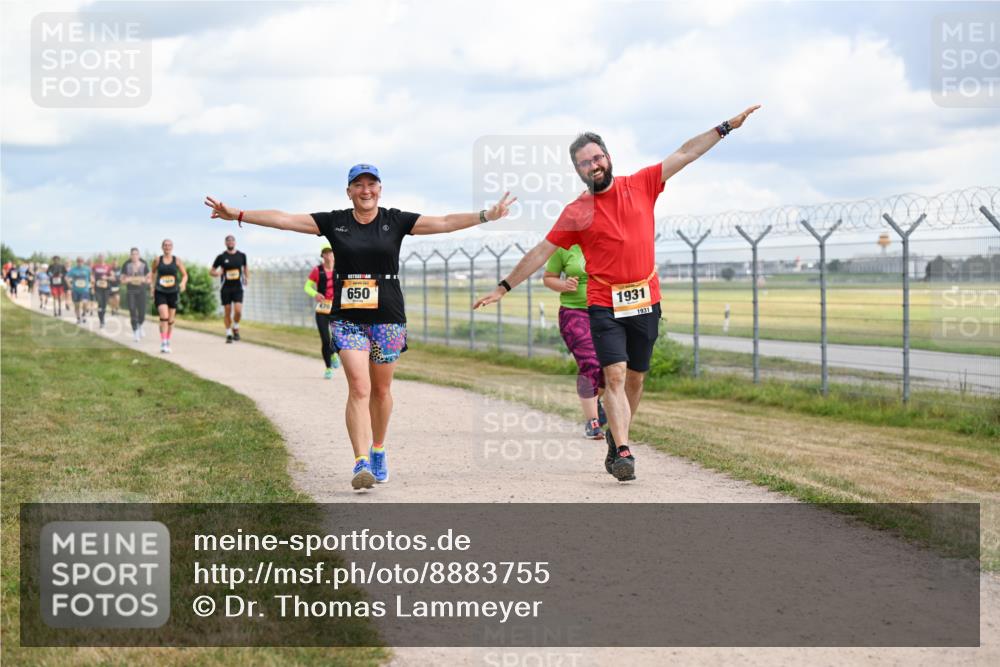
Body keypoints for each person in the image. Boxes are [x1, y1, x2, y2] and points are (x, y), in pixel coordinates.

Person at [474, 106, 760, 482]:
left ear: (607, 157)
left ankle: (615, 436)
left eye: (597, 157)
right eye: (584, 163)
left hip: (644, 300)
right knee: (615, 375)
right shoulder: (576, 212)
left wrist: (726, 127)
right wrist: (504, 286)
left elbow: (686, 153)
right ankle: (624, 450)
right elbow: (541, 252)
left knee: (636, 379)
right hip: (603, 302)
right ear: (577, 170)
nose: (592, 165)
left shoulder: (641, 183)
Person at [204, 163, 515, 490]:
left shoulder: (395, 220)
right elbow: (284, 220)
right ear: (349, 191)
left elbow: (445, 222)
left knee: (381, 390)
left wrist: (486, 216)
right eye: (359, 185)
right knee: (359, 386)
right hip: (348, 319)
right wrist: (238, 214)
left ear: (380, 189)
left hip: (387, 318)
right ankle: (360, 461)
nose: (366, 190)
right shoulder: (334, 222)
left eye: (372, 184)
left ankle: (378, 448)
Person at [543, 244, 607, 439]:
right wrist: (564, 285)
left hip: (606, 312)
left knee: (610, 368)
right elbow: (548, 278)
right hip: (574, 312)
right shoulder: (564, 247)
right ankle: (592, 423)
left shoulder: (606, 241)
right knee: (590, 363)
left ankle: (593, 400)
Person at [304, 242, 342, 378]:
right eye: (325, 253)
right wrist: (315, 294)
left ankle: (335, 353)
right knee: (326, 339)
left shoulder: (340, 268)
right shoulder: (317, 270)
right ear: (322, 256)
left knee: (338, 337)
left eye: (330, 252)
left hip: (337, 308)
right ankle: (328, 368)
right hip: (322, 309)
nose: (328, 255)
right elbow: (307, 287)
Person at [150, 239, 188, 353]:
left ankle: (167, 340)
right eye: (165, 245)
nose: (167, 247)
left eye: (169, 245)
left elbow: (185, 275)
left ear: (172, 247)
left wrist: (183, 283)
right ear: (162, 247)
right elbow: (152, 273)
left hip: (173, 292)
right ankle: (163, 342)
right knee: (164, 317)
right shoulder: (157, 260)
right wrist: (152, 287)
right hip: (160, 291)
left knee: (171, 320)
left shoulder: (177, 261)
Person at [210, 235, 249, 343]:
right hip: (225, 288)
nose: (230, 242)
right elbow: (211, 271)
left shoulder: (242, 255)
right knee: (227, 311)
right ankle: (228, 334)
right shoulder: (221, 257)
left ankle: (235, 327)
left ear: (235, 242)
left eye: (232, 240)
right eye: (228, 241)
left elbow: (245, 268)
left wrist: (247, 278)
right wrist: (217, 273)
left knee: (238, 311)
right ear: (225, 243)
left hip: (238, 287)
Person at [121, 248, 151, 341]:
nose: (134, 256)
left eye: (136, 254)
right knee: (132, 310)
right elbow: (122, 280)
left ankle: (140, 325)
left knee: (142, 313)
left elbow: (149, 279)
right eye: (132, 254)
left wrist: (144, 280)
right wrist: (128, 280)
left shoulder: (144, 264)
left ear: (139, 255)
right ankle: (135, 332)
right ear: (130, 255)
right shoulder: (126, 264)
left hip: (142, 291)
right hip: (131, 292)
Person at [90, 254, 113, 328]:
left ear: (104, 258)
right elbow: (92, 275)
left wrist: (107, 277)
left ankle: (102, 317)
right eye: (100, 257)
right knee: (100, 303)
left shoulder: (108, 267)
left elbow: (113, 276)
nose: (101, 258)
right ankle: (101, 320)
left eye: (102, 257)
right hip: (98, 288)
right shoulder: (95, 266)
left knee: (104, 304)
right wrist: (92, 280)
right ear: (98, 258)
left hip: (106, 288)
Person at [67, 257, 92, 324]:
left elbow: (91, 277)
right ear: (77, 262)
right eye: (78, 261)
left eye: (81, 261)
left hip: (85, 289)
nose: (80, 262)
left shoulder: (87, 269)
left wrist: (92, 283)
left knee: (85, 302)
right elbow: (66, 277)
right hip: (75, 290)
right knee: (76, 305)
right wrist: (69, 285)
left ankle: (84, 314)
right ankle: (78, 318)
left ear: (83, 262)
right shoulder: (73, 269)